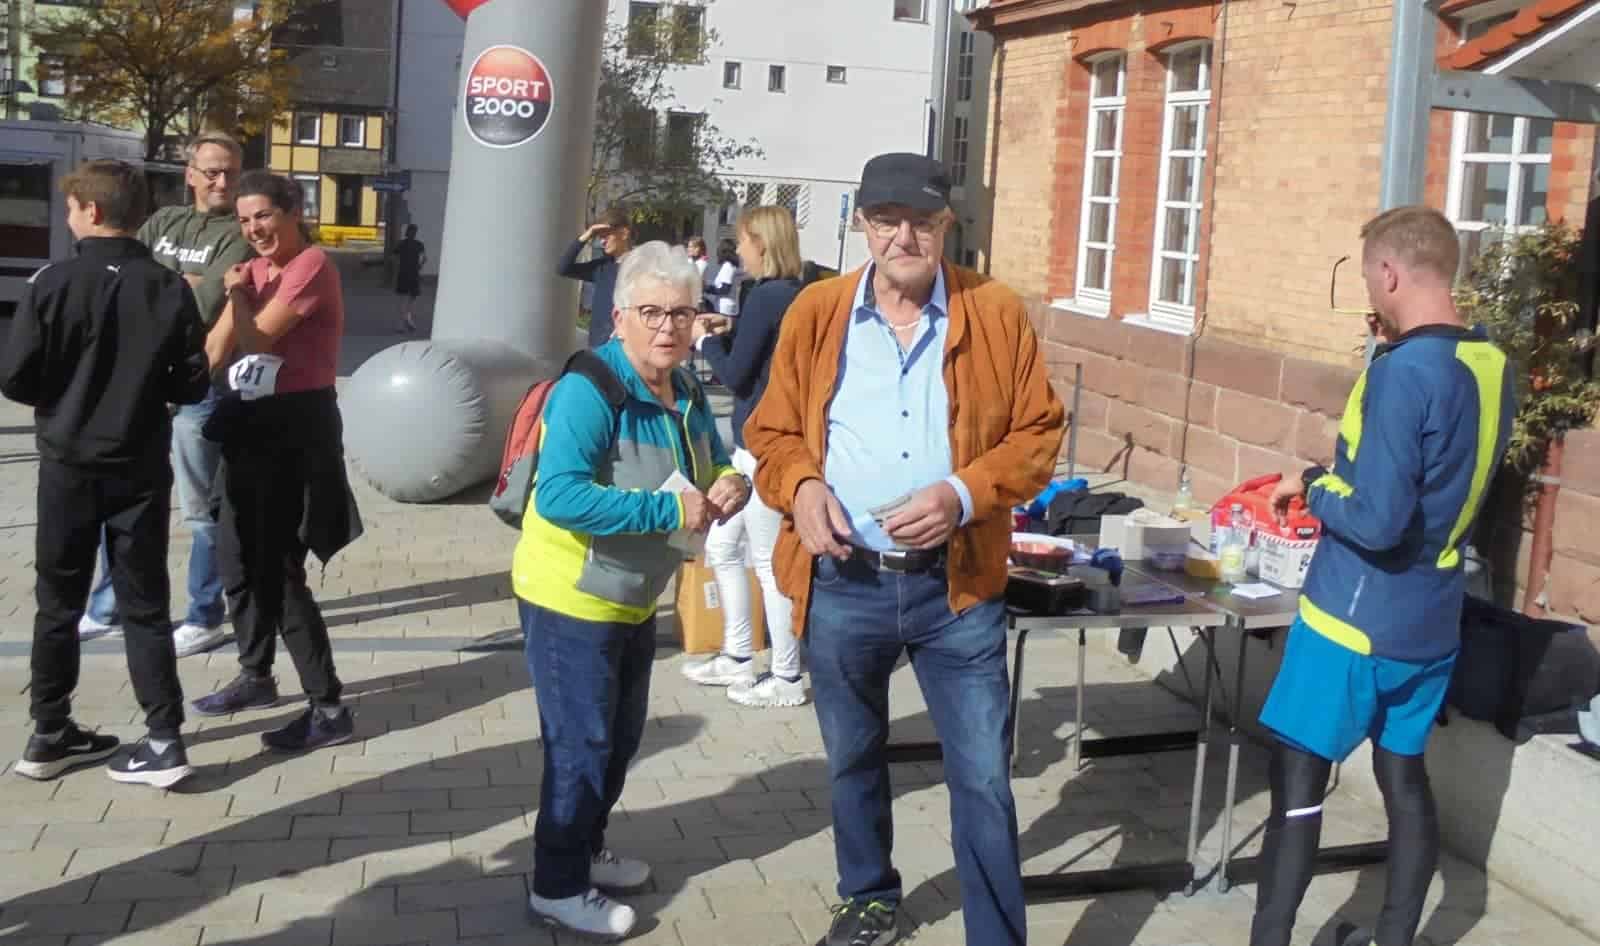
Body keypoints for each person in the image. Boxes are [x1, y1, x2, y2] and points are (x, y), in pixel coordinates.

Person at [745, 152, 1064, 946]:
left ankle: (996, 934)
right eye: (887, 221)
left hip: (956, 589)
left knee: (983, 777)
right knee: (853, 758)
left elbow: (1039, 433)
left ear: (946, 224)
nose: (904, 237)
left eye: (922, 221)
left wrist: (961, 495)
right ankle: (867, 897)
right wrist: (801, 487)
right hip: (843, 580)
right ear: (862, 224)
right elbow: (770, 431)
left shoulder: (994, 311)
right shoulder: (817, 310)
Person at [1251, 206, 1515, 946]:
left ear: (1390, 273)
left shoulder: (1402, 375)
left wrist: (1313, 484)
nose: (1370, 291)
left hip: (1353, 619)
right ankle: (1395, 935)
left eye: (1370, 276)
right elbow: (1433, 478)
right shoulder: (1491, 363)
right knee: (1404, 777)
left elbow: (1376, 521)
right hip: (1432, 618)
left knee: (1298, 788)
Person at [514, 241, 750, 940]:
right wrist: (668, 509)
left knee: (617, 742)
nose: (667, 327)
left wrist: (730, 486)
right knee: (580, 746)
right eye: (651, 312)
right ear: (618, 318)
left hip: (634, 593)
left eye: (681, 313)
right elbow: (558, 495)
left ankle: (585, 850)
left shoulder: (686, 389)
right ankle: (557, 886)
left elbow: (711, 465)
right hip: (570, 595)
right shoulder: (590, 389)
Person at [0, 159, 211, 786]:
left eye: (71, 208)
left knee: (57, 602)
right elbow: (192, 381)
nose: (68, 218)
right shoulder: (168, 286)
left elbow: (16, 378)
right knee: (145, 603)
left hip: (66, 462)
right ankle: (164, 737)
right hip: (138, 463)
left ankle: (49, 731)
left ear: (91, 211)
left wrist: (61, 393)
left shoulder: (50, 282)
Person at [189, 171, 362, 754]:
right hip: (250, 422)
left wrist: (237, 297)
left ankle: (328, 707)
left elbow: (258, 341)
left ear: (293, 212)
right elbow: (216, 352)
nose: (254, 229)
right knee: (234, 553)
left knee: (280, 570)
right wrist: (230, 295)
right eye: (244, 220)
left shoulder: (311, 266)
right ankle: (255, 675)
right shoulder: (254, 271)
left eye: (263, 216)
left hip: (298, 427)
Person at [79, 132, 253, 659]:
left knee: (201, 511)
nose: (223, 181)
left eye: (231, 172)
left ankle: (204, 615)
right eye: (213, 171)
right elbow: (122, 281)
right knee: (125, 499)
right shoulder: (162, 222)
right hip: (140, 384)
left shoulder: (240, 233)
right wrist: (184, 281)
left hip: (200, 385)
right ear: (191, 174)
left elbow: (202, 305)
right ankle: (108, 608)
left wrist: (169, 284)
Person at [681, 206, 807, 707]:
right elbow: (764, 350)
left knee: (768, 563)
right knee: (722, 546)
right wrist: (729, 327)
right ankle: (738, 656)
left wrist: (705, 340)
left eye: (743, 242)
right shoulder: (791, 293)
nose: (739, 252)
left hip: (762, 449)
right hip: (754, 447)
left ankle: (787, 676)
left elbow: (735, 375)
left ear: (763, 243)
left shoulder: (767, 295)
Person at [558, 207, 633, 347]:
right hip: (597, 346)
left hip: (626, 347)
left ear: (624, 233)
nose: (602, 242)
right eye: (600, 237)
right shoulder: (601, 267)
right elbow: (563, 269)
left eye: (606, 236)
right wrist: (587, 235)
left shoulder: (642, 267)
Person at [393, 223, 426, 333]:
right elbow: (424, 258)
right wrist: (419, 267)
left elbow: (394, 257)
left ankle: (401, 324)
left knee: (402, 299)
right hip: (414, 274)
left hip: (403, 274)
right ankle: (408, 318)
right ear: (415, 233)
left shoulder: (401, 244)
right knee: (412, 298)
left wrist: (398, 267)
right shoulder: (419, 244)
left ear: (406, 232)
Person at [704, 237, 742, 315]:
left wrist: (707, 289)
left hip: (724, 307)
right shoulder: (730, 265)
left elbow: (725, 289)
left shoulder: (728, 266)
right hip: (725, 305)